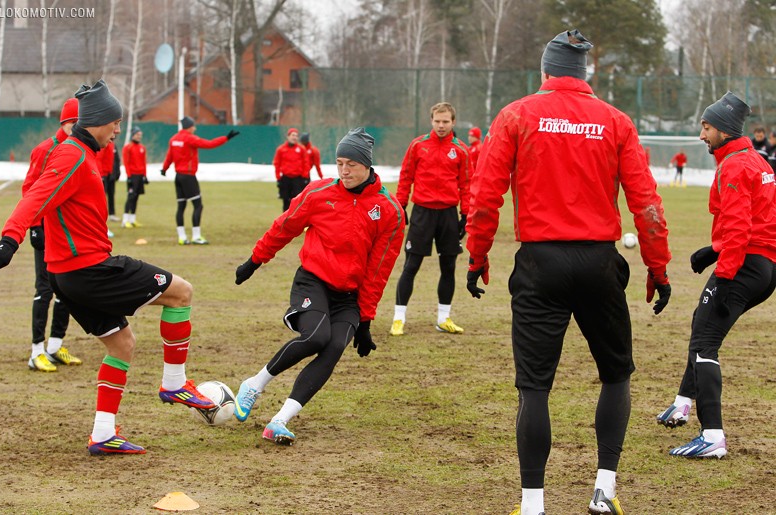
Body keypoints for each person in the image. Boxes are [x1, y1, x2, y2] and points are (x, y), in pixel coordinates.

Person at [465, 30, 671, 515]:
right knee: (616, 376)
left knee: (534, 388)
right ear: (585, 76)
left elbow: (484, 195)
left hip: (540, 264)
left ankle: (533, 503)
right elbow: (647, 203)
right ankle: (603, 489)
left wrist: (477, 257)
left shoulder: (517, 114)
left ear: (545, 72)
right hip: (600, 262)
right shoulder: (615, 120)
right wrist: (657, 268)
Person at [0, 80, 216, 456]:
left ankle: (103, 433)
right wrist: (10, 240)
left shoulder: (84, 153)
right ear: (96, 122)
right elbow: (36, 196)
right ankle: (175, 382)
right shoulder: (71, 154)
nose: (118, 130)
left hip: (69, 275)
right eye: (115, 122)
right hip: (89, 270)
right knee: (181, 292)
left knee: (122, 344)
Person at [232, 128, 405, 445]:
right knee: (316, 336)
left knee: (335, 346)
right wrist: (255, 261)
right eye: (339, 162)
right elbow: (283, 227)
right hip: (313, 281)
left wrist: (365, 320)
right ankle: (254, 385)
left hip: (350, 296)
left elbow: (379, 270)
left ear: (367, 165)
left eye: (351, 163)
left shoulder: (390, 211)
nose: (344, 170)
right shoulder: (318, 193)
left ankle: (279, 421)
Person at [656, 92, 776, 460]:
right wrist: (714, 249)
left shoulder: (736, 166)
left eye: (706, 127)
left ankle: (712, 436)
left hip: (745, 265)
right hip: (764, 265)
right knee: (701, 324)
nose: (701, 134)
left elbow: (740, 228)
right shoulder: (755, 160)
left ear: (723, 129)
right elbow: (755, 219)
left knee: (706, 343)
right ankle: (681, 404)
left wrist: (724, 275)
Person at [390, 102, 471, 336]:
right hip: (422, 213)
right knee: (411, 266)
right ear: (431, 121)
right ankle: (399, 318)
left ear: (453, 122)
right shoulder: (418, 146)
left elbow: (467, 184)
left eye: (446, 121)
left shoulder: (461, 150)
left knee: (448, 267)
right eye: (437, 121)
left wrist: (466, 215)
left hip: (447, 214)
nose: (441, 125)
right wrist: (401, 206)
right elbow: (405, 177)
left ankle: (443, 318)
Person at [20, 97, 81, 372]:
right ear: (65, 122)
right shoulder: (45, 149)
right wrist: (34, 227)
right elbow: (30, 190)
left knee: (65, 290)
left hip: (67, 233)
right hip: (44, 230)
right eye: (74, 122)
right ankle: (36, 351)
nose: (79, 126)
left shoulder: (79, 148)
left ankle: (55, 346)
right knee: (43, 289)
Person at [161, 116, 239, 245]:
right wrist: (226, 138)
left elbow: (169, 156)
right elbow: (209, 144)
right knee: (198, 205)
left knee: (181, 206)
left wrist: (164, 169)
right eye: (193, 126)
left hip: (178, 176)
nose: (195, 128)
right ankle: (196, 236)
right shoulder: (190, 138)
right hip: (189, 176)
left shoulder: (173, 139)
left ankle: (182, 237)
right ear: (190, 127)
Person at [273, 128, 309, 211]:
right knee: (286, 201)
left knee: (297, 201)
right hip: (286, 178)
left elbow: (306, 163)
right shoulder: (281, 149)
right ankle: (285, 221)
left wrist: (305, 176)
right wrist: (278, 177)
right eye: (293, 135)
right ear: (288, 136)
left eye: (296, 136)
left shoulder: (301, 149)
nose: (294, 137)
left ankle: (296, 221)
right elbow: (277, 163)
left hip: (297, 179)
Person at [122, 126, 148, 228]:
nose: (139, 137)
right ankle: (125, 220)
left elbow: (144, 162)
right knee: (130, 197)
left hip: (140, 175)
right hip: (132, 175)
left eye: (140, 135)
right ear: (133, 135)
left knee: (136, 197)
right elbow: (126, 163)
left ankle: (132, 219)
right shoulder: (128, 147)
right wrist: (129, 176)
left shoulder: (142, 148)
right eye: (137, 135)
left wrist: (145, 175)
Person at [96, 140, 120, 227]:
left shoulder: (112, 144)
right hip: (103, 174)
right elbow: (99, 158)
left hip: (109, 174)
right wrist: (101, 174)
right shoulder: (102, 143)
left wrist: (114, 172)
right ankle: (99, 221)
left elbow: (114, 160)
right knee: (101, 199)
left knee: (111, 195)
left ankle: (111, 215)